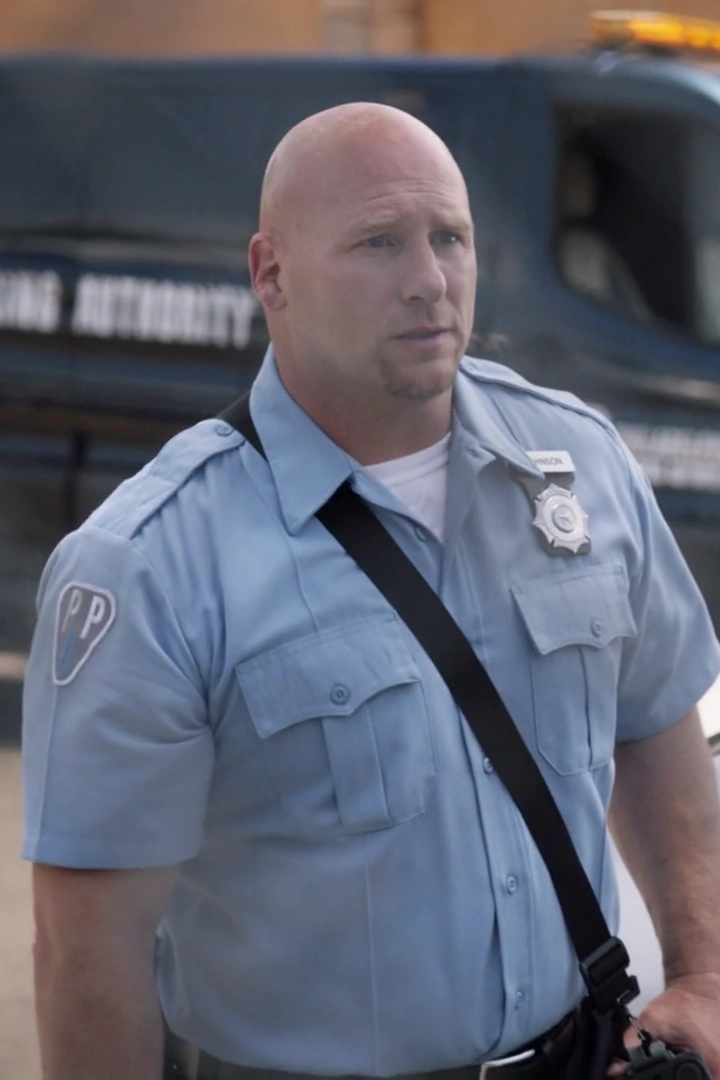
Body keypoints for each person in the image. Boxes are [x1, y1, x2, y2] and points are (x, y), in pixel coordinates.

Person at [21, 102, 720, 1080]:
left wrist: (702, 974)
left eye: (451, 238)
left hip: (584, 1056)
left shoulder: (581, 463)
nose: (430, 279)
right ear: (271, 274)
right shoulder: (150, 564)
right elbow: (87, 950)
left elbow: (655, 723)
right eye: (379, 242)